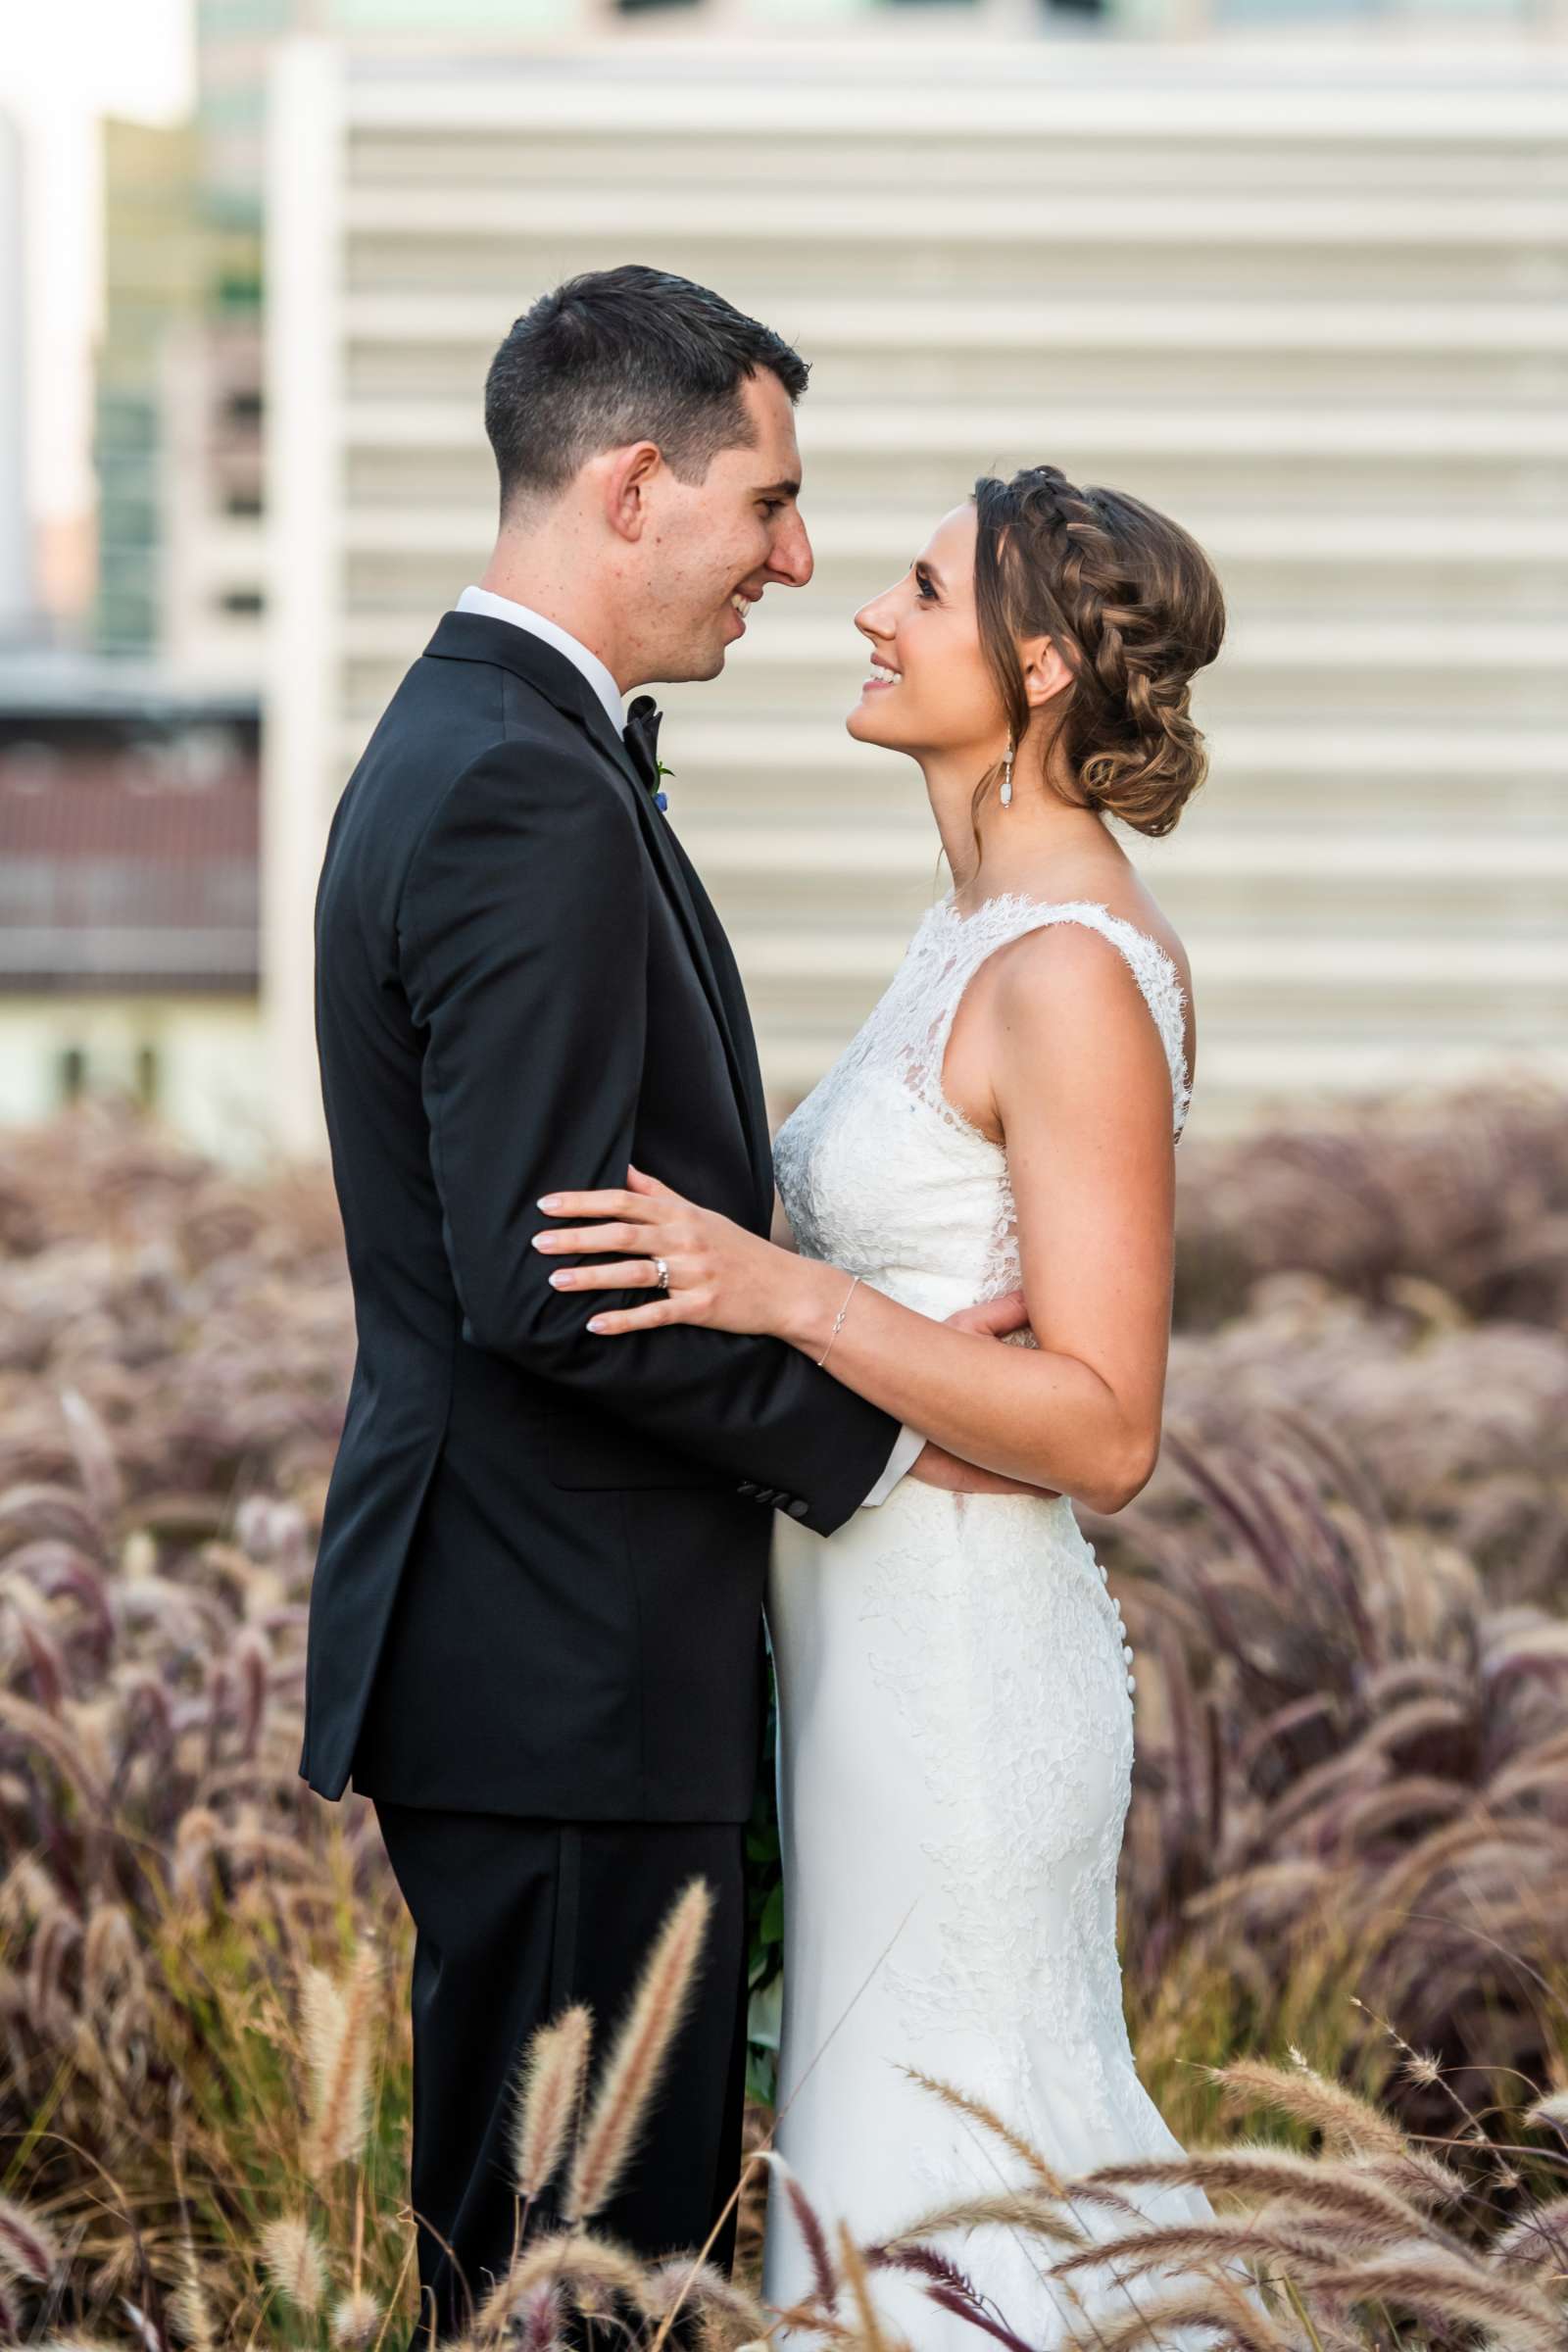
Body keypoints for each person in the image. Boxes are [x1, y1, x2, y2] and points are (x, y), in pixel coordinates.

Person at [302, 264, 1031, 2344]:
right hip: (561, 1673)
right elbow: (558, 1288)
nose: (796, 563)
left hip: (557, 1662)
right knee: (568, 2293)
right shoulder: (523, 786)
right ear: (633, 486)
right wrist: (892, 1435)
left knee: (580, 2277)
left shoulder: (501, 743)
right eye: (769, 504)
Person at [535, 466, 1238, 2346]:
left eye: (917, 591)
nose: (864, 609)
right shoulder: (974, 930)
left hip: (956, 1674)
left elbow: (1105, 1427)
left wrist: (787, 1292)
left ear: (1030, 672)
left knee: (960, 2189)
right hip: (857, 1656)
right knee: (882, 2184)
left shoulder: (1074, 970)